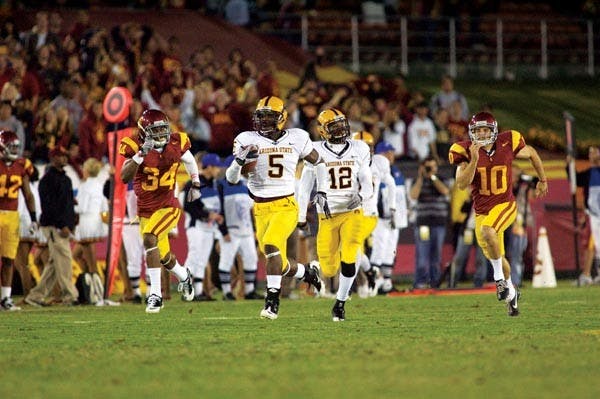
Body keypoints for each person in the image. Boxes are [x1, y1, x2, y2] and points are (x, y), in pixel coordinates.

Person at [225, 95, 323, 320]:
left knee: (271, 247)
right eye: (261, 117)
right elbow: (231, 179)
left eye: (270, 117)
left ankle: (272, 301)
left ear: (282, 118)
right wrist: (238, 161)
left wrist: (320, 189)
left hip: (286, 204)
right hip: (259, 208)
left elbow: (317, 160)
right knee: (273, 257)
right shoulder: (246, 139)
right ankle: (307, 272)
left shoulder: (297, 137)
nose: (265, 121)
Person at [449, 111, 548, 316]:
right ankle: (511, 293)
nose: (482, 134)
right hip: (482, 211)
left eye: (486, 130)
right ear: (472, 132)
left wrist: (543, 179)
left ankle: (498, 280)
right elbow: (461, 184)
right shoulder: (465, 150)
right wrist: (475, 160)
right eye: (478, 130)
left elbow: (532, 154)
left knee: (488, 232)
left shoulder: (508, 141)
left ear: (493, 131)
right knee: (498, 256)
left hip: (505, 205)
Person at [119, 109, 199, 313]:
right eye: (155, 131)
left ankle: (155, 295)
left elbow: (189, 161)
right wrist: (140, 155)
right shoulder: (134, 146)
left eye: (163, 129)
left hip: (168, 206)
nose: (161, 135)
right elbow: (124, 177)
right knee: (164, 256)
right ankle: (184, 276)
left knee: (149, 238)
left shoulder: (176, 142)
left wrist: (196, 183)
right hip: (146, 209)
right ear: (144, 132)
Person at [297, 108, 373, 321]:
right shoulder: (314, 150)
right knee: (329, 269)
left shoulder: (359, 148)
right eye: (334, 126)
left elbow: (367, 179)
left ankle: (340, 303)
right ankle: (317, 274)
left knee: (349, 254)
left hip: (353, 211)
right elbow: (304, 188)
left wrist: (362, 195)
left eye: (341, 124)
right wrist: (301, 216)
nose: (340, 129)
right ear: (322, 131)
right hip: (327, 216)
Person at [25, 145, 79, 307]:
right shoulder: (47, 180)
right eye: (61, 156)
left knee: (54, 264)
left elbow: (68, 204)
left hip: (62, 226)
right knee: (64, 260)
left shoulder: (66, 179)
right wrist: (61, 225)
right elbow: (49, 206)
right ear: (53, 158)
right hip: (54, 226)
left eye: (65, 156)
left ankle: (35, 296)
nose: (64, 158)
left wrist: (71, 223)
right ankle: (70, 295)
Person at [180, 152, 224, 301]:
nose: (218, 170)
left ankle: (197, 292)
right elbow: (188, 206)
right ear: (210, 167)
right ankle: (186, 291)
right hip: (196, 226)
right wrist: (206, 214)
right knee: (193, 258)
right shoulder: (194, 183)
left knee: (202, 260)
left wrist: (216, 216)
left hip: (209, 228)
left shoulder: (215, 184)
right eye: (216, 167)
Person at [0, 130, 36, 310]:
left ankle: (5, 299)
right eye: (11, 146)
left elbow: (28, 195)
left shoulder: (22, 165)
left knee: (8, 259)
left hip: (12, 216)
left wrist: (34, 218)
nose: (14, 150)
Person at [217, 155, 261, 300]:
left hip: (246, 230)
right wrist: (223, 231)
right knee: (226, 260)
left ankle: (249, 291)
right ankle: (226, 292)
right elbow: (219, 210)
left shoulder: (245, 184)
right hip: (231, 230)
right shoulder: (220, 185)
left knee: (251, 258)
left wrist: (254, 229)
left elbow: (251, 210)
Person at [408, 156, 450, 289]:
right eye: (428, 167)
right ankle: (420, 282)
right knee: (422, 254)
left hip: (439, 222)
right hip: (423, 223)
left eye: (432, 166)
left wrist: (432, 176)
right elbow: (413, 196)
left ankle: (435, 283)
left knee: (436, 255)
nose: (430, 169)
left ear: (436, 168)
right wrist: (421, 177)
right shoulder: (417, 180)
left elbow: (444, 191)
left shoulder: (441, 179)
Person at [570, 146, 600, 285]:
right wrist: (568, 164)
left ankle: (588, 274)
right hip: (593, 215)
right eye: (589, 152)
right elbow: (574, 179)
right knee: (591, 244)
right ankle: (588, 274)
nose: (591, 154)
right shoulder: (589, 173)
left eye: (594, 152)